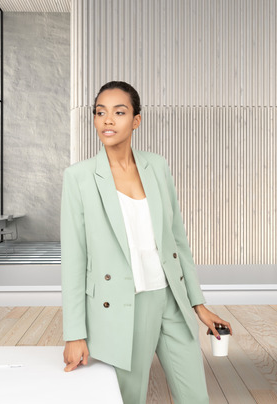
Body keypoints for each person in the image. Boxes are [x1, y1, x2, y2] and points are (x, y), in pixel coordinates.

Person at [61, 81, 232, 404]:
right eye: (100, 112)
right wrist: (75, 334)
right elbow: (73, 261)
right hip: (124, 305)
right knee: (131, 398)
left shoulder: (157, 166)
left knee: (196, 397)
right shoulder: (79, 178)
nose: (107, 120)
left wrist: (199, 306)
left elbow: (177, 242)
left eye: (119, 112)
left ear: (136, 120)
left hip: (171, 301)